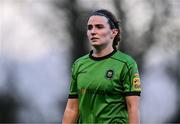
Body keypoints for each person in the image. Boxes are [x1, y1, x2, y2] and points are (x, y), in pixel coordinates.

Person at [62, 9, 141, 124]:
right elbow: (72, 108)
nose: (93, 31)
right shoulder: (79, 64)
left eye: (99, 27)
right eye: (90, 28)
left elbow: (133, 108)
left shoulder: (126, 64)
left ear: (114, 33)